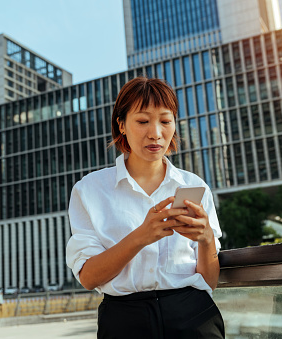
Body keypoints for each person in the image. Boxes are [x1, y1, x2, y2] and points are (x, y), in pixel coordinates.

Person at [66, 77, 225, 338]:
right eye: (142, 121)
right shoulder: (90, 190)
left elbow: (210, 281)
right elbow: (88, 278)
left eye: (165, 121)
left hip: (195, 315)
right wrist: (141, 236)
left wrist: (207, 238)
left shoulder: (194, 185)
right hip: (124, 320)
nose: (156, 133)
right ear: (122, 125)